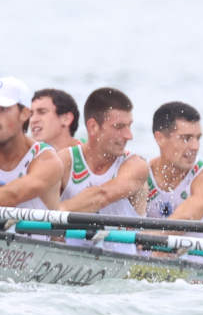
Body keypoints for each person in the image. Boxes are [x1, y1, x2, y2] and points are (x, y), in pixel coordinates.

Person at [58, 88, 149, 254]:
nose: (129, 135)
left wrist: (51, 214)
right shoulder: (64, 161)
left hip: (124, 269)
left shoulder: (136, 166)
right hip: (70, 258)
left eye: (129, 126)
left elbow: (101, 196)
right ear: (93, 127)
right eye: (119, 127)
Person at [0, 77, 65, 209]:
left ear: (24, 114)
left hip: (35, 230)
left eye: (2, 109)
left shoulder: (48, 160)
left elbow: (14, 194)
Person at [145, 101, 203, 220]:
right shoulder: (143, 175)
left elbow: (181, 222)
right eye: (186, 138)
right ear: (160, 138)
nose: (195, 146)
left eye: (198, 138)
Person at [29, 88, 80, 153]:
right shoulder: (26, 158)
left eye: (42, 112)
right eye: (31, 114)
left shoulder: (91, 155)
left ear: (66, 119)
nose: (33, 120)